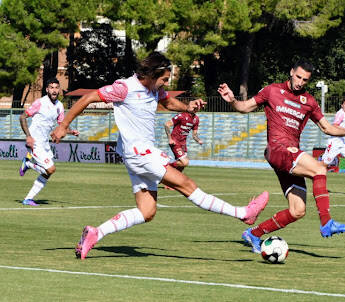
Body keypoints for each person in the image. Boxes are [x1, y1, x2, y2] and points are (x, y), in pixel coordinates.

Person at [51, 52, 268, 260]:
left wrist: (188, 108)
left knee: (147, 211)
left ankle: (95, 233)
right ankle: (243, 213)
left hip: (136, 156)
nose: (166, 83)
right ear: (153, 74)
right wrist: (63, 126)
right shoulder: (125, 88)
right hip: (140, 154)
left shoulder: (154, 89)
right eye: (164, 79)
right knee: (186, 184)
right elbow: (88, 98)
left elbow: (167, 101)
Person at [217, 59, 345, 253]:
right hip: (278, 149)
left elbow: (327, 128)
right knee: (319, 168)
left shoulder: (310, 102)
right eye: (298, 77)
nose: (300, 82)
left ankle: (253, 234)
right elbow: (244, 107)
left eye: (305, 80)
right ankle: (326, 222)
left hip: (289, 155)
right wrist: (232, 100)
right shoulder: (271, 90)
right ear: (291, 72)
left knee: (298, 211)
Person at [18, 77, 79, 206]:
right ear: (47, 89)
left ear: (59, 90)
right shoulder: (40, 102)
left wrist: (70, 131)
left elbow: (61, 125)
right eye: (51, 88)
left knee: (49, 172)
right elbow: (22, 117)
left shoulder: (59, 106)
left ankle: (28, 199)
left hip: (44, 143)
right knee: (50, 169)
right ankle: (27, 164)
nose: (54, 90)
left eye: (56, 88)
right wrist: (28, 136)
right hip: (35, 142)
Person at [163, 110, 203, 189]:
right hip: (175, 141)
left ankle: (170, 184)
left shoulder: (196, 119)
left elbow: (194, 135)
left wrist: (198, 140)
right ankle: (165, 167)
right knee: (185, 162)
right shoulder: (181, 115)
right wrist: (170, 139)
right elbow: (167, 124)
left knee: (181, 166)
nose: (196, 108)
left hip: (183, 143)